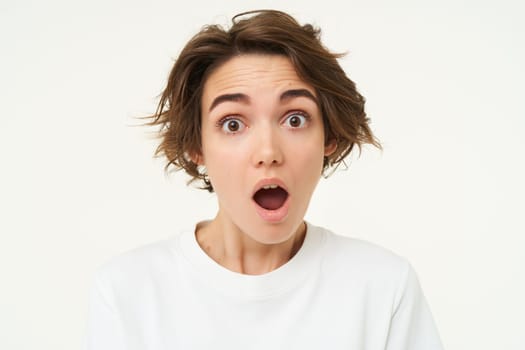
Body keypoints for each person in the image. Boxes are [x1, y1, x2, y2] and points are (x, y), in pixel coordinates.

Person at [85, 10, 443, 349]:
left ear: (328, 137)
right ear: (197, 146)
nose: (268, 151)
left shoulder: (383, 287)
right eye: (233, 123)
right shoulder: (127, 292)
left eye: (295, 119)